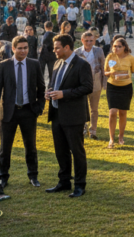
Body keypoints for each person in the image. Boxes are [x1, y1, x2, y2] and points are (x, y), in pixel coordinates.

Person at [0, 35, 45, 188]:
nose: (23, 51)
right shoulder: (3, 65)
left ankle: (33, 176)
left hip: (29, 111)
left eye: (25, 48)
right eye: (20, 48)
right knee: (5, 147)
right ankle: (3, 177)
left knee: (31, 146)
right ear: (13, 49)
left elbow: (42, 87)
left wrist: (40, 107)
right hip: (9, 112)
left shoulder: (34, 64)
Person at [46, 34, 93, 197]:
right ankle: (64, 181)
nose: (54, 51)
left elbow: (87, 87)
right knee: (61, 151)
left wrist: (64, 94)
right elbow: (53, 84)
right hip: (57, 114)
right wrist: (49, 92)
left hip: (74, 115)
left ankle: (80, 185)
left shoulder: (82, 65)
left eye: (57, 47)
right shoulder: (57, 63)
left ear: (67, 47)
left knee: (77, 150)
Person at [104, 35, 134, 148]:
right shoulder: (110, 57)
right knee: (112, 112)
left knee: (123, 112)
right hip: (112, 87)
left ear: (124, 47)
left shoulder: (130, 58)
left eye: (119, 46)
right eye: (114, 46)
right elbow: (105, 72)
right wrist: (111, 74)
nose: (116, 48)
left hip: (126, 87)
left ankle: (121, 137)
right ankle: (111, 139)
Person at [75, 29, 106, 139]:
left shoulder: (99, 51)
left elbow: (103, 67)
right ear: (82, 40)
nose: (89, 43)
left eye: (91, 41)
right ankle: (83, 128)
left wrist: (104, 83)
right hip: (81, 84)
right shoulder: (77, 52)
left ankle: (93, 131)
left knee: (94, 109)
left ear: (94, 40)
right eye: (87, 41)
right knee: (82, 108)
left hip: (96, 82)